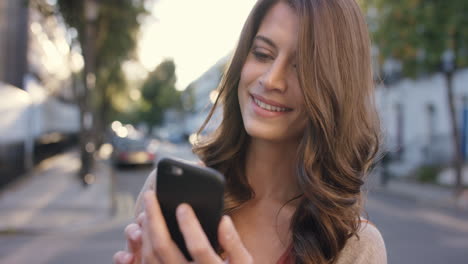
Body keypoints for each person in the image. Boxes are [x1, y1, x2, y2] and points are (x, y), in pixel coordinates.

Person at [114, 0, 387, 263]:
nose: (271, 79)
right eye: (262, 54)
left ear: (336, 88)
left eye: (303, 68)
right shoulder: (170, 191)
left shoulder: (355, 245)